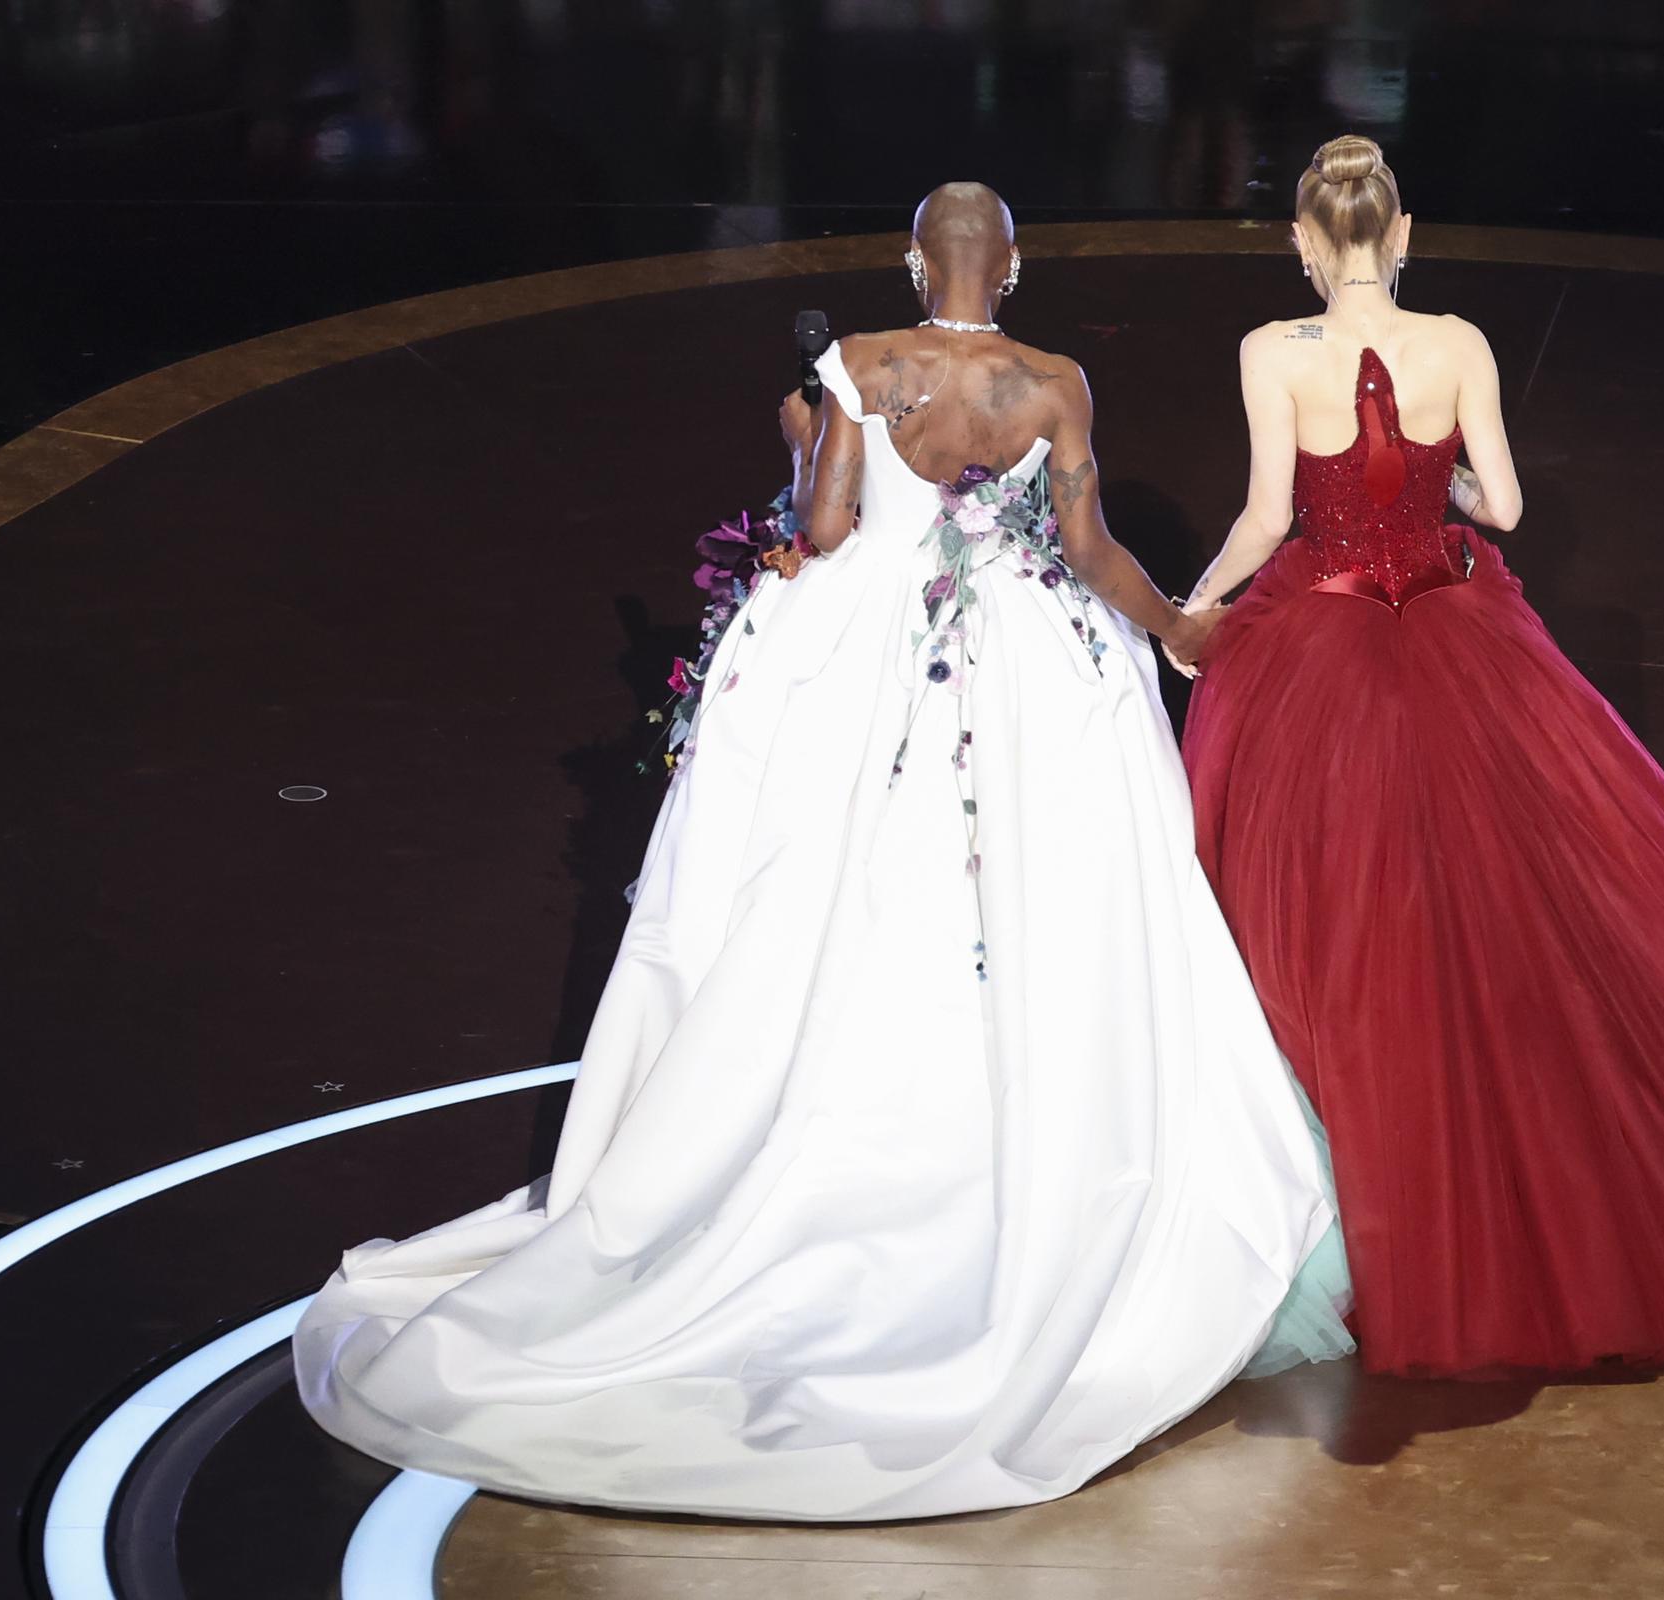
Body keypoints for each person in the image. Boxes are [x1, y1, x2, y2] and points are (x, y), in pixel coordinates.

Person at [294, 183, 1350, 1521]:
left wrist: (801, 445)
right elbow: (1082, 545)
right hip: (1027, 673)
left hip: (874, 671)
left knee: (836, 905)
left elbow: (831, 533)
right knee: (1043, 908)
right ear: (1010, 269)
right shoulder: (1051, 382)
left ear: (919, 264)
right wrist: (1180, 634)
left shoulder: (860, 365)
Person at [1175, 136, 1664, 1379]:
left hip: (1321, 654)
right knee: (1523, 912)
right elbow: (1505, 510)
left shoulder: (1269, 352)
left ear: (1305, 245)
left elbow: (1267, 515)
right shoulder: (1458, 342)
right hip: (1457, 632)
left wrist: (1198, 614)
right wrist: (1441, 485)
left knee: (1334, 915)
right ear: (1401, 239)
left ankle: (1338, 1203)